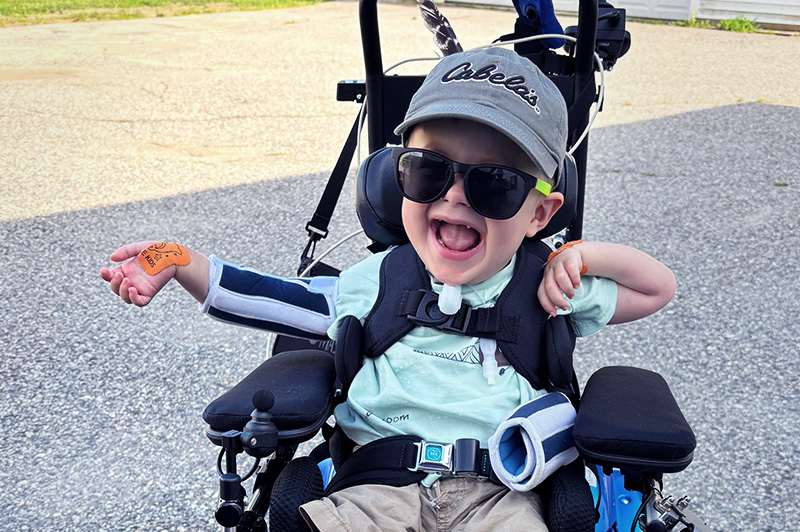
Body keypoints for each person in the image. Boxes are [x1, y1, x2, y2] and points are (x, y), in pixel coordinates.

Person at [100, 47, 676, 531]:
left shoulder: (549, 289)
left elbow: (656, 289)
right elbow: (268, 297)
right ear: (397, 176)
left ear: (538, 214)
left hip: (502, 495)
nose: (455, 196)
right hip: (375, 485)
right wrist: (177, 261)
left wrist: (580, 255)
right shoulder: (371, 284)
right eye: (429, 170)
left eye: (495, 184)